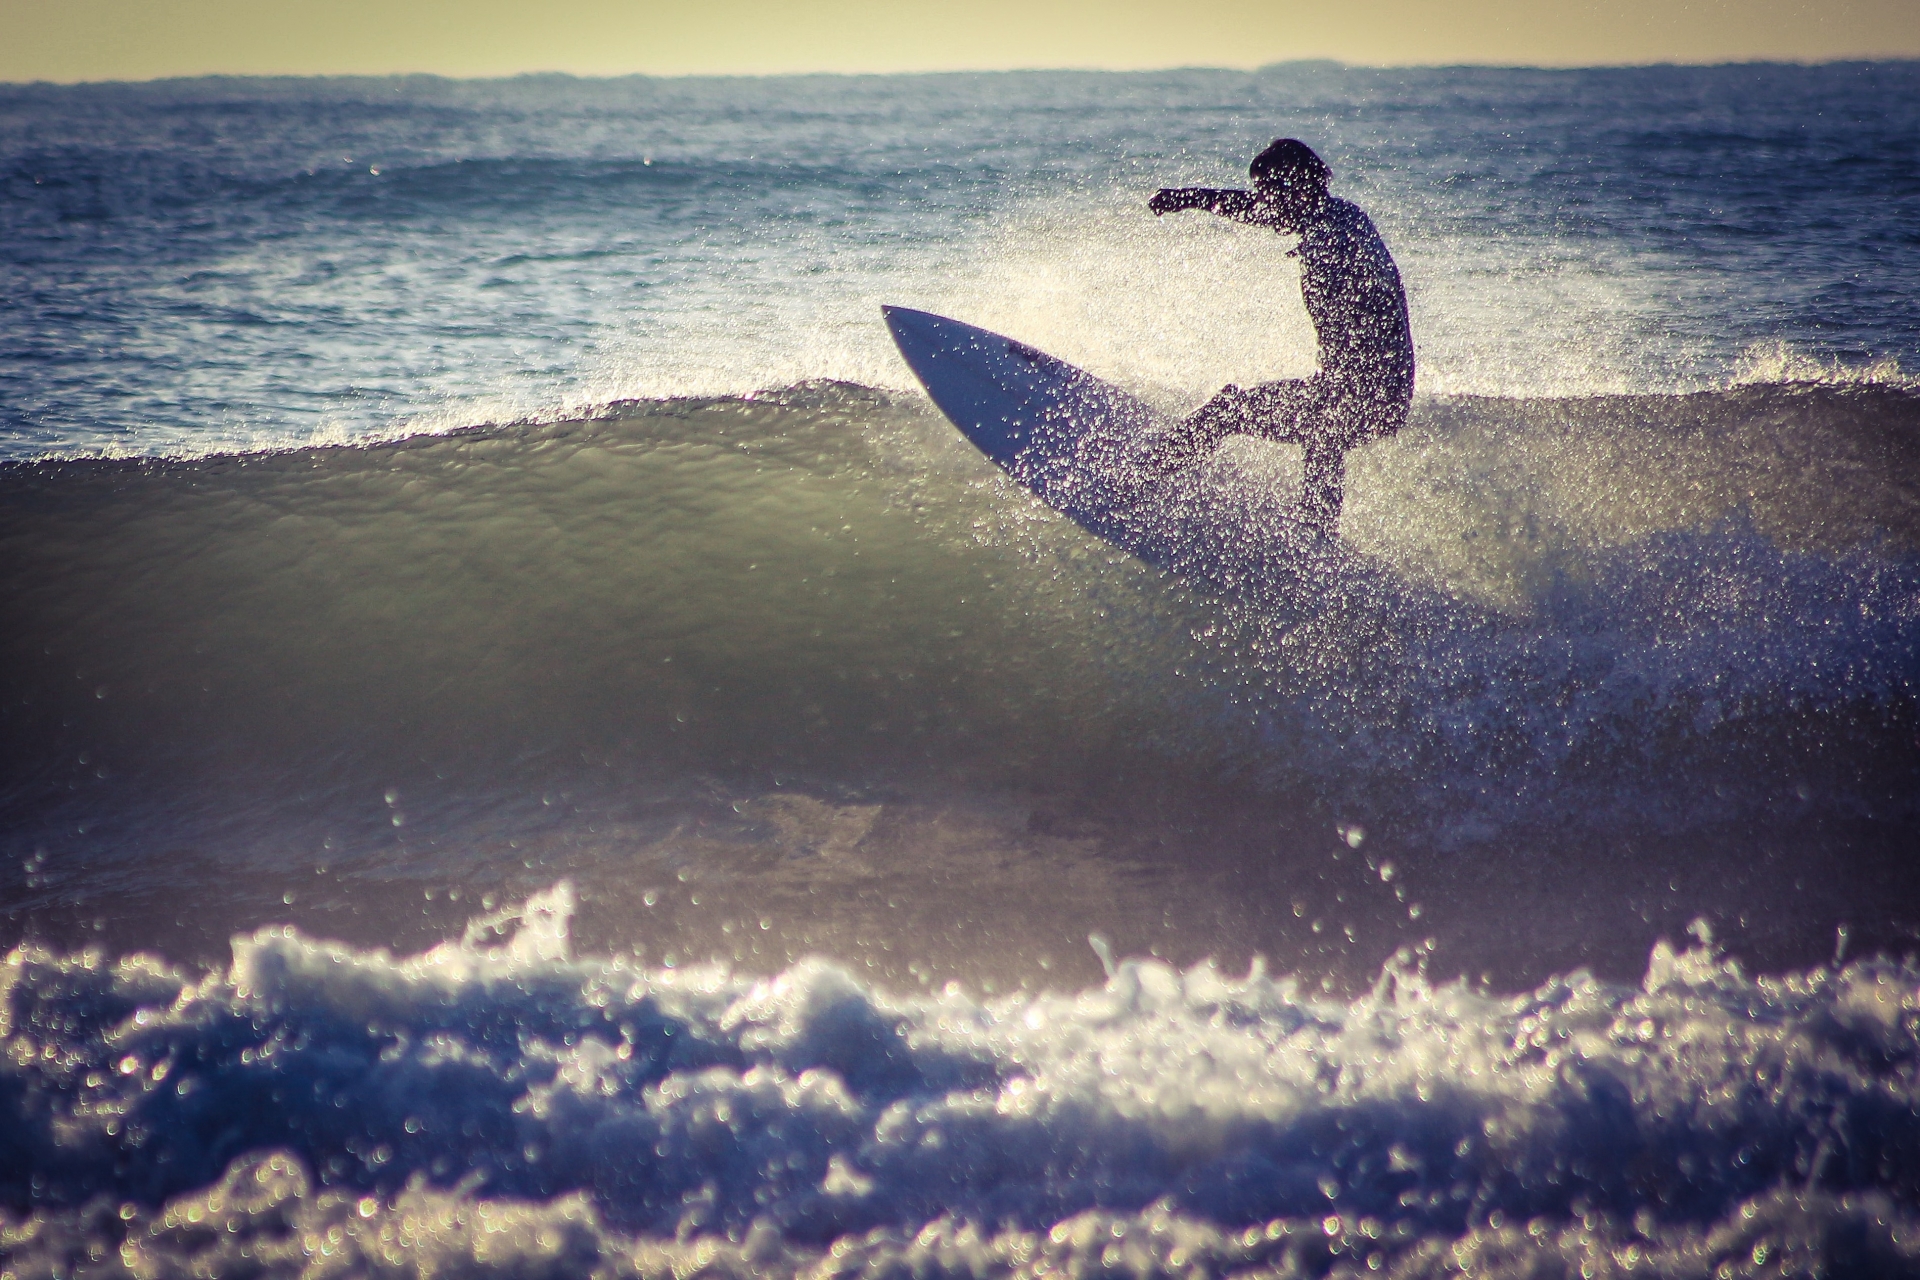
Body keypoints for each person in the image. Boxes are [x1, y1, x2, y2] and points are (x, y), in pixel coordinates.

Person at [1148, 138, 1414, 536]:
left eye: (1271, 193)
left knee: (1237, 412)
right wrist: (1189, 197)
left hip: (1366, 394)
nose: (1265, 205)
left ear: (1299, 188)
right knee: (1323, 430)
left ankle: (1137, 479)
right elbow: (1254, 210)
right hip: (1385, 394)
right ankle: (1318, 537)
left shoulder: (1330, 242)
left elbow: (1370, 316)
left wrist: (1345, 384)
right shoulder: (1341, 216)